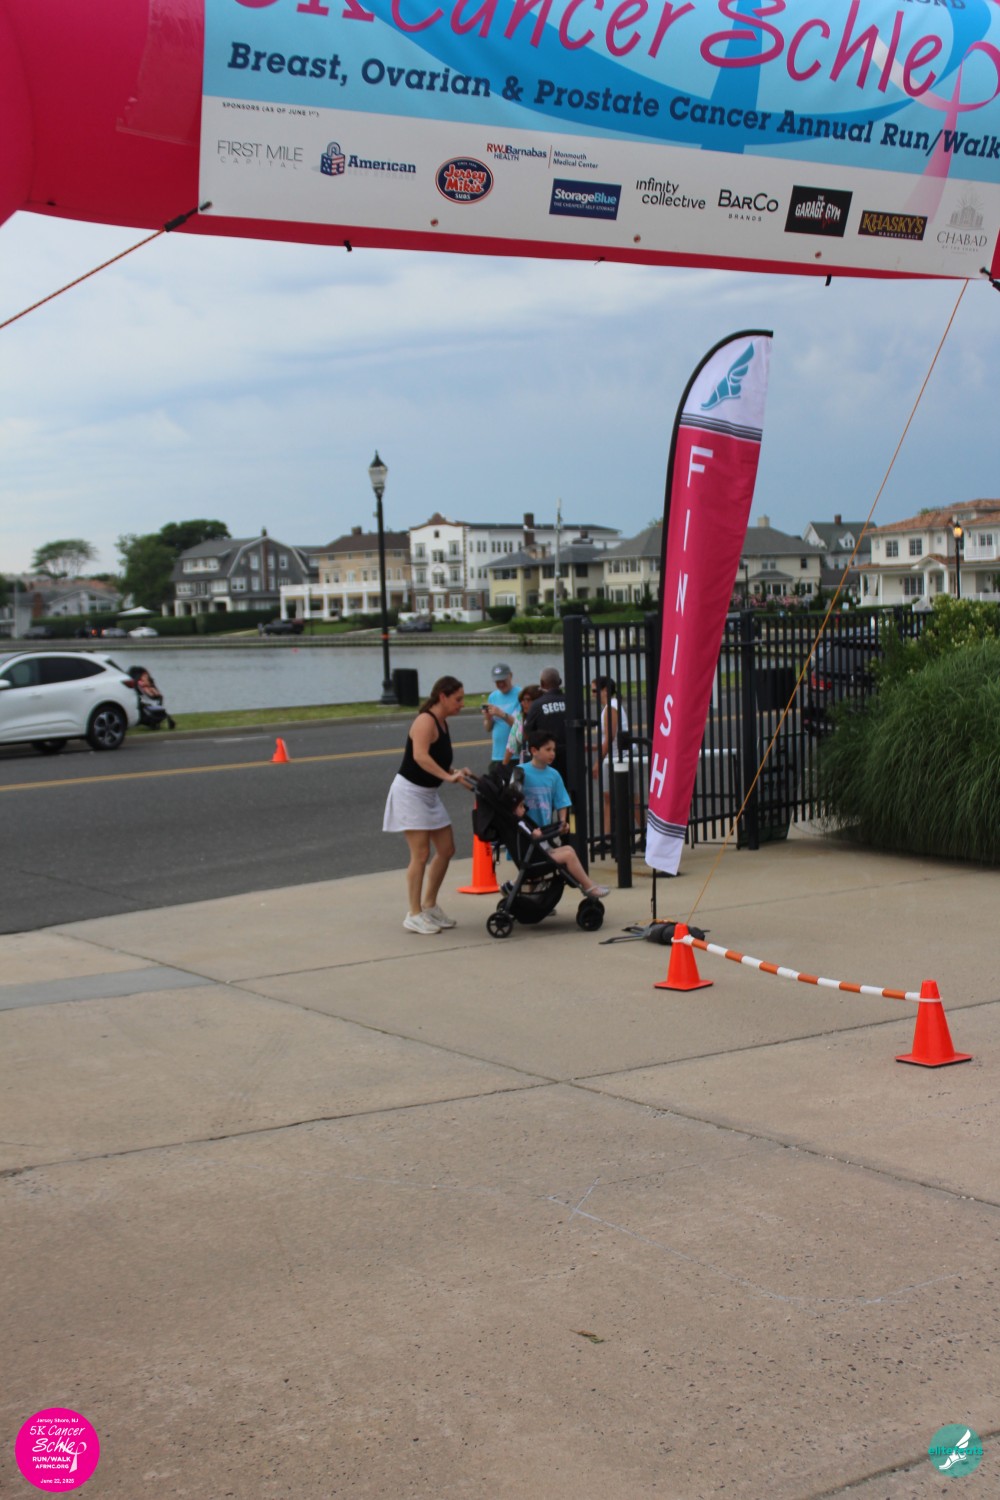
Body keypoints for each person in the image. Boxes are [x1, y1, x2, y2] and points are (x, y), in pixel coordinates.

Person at [383, 675, 474, 935]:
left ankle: (430, 905)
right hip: (410, 793)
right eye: (458, 699)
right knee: (420, 854)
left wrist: (457, 774)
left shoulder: (443, 722)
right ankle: (414, 914)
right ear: (442, 697)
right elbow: (420, 756)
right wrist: (447, 776)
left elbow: (438, 760)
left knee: (446, 849)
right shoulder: (425, 720)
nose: (462, 704)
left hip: (429, 794)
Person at [505, 784, 609, 900]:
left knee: (569, 849)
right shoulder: (518, 824)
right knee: (568, 855)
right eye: (520, 806)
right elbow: (530, 838)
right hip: (535, 859)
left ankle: (588, 883)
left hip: (539, 853)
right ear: (512, 810)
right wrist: (535, 835)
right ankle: (588, 887)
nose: (524, 809)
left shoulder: (520, 821)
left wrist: (544, 832)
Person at [592, 676, 630, 830]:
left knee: (611, 798)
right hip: (616, 755)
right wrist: (595, 747)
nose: (592, 694)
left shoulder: (610, 708)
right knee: (618, 798)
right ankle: (609, 835)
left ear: (605, 690)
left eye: (595, 690)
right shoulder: (611, 706)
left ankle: (608, 836)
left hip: (616, 758)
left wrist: (597, 762)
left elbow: (610, 736)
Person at [521, 729, 572, 829]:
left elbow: (562, 801)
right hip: (524, 829)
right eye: (548, 749)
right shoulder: (520, 771)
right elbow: (512, 802)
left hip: (545, 829)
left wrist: (562, 821)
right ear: (534, 751)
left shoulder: (554, 775)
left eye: (554, 750)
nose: (552, 753)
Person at [523, 665, 567, 775]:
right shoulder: (570, 701)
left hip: (546, 758)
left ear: (542, 684)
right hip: (570, 755)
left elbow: (527, 732)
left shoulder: (537, 705)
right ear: (560, 682)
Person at [482, 663, 521, 770]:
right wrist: (488, 718)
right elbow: (488, 728)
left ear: (510, 676)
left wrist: (502, 714)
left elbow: (520, 726)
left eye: (503, 680)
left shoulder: (521, 694)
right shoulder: (493, 697)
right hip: (497, 755)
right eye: (497, 681)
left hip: (515, 755)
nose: (501, 684)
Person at [503, 683, 542, 766]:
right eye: (522, 700)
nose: (523, 703)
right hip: (526, 765)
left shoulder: (544, 718)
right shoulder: (520, 718)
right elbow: (511, 745)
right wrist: (503, 766)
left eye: (527, 700)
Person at [131, 665, 176, 730]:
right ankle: (155, 720)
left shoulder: (143, 683)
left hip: (147, 701)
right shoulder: (141, 683)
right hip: (148, 701)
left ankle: (153, 721)